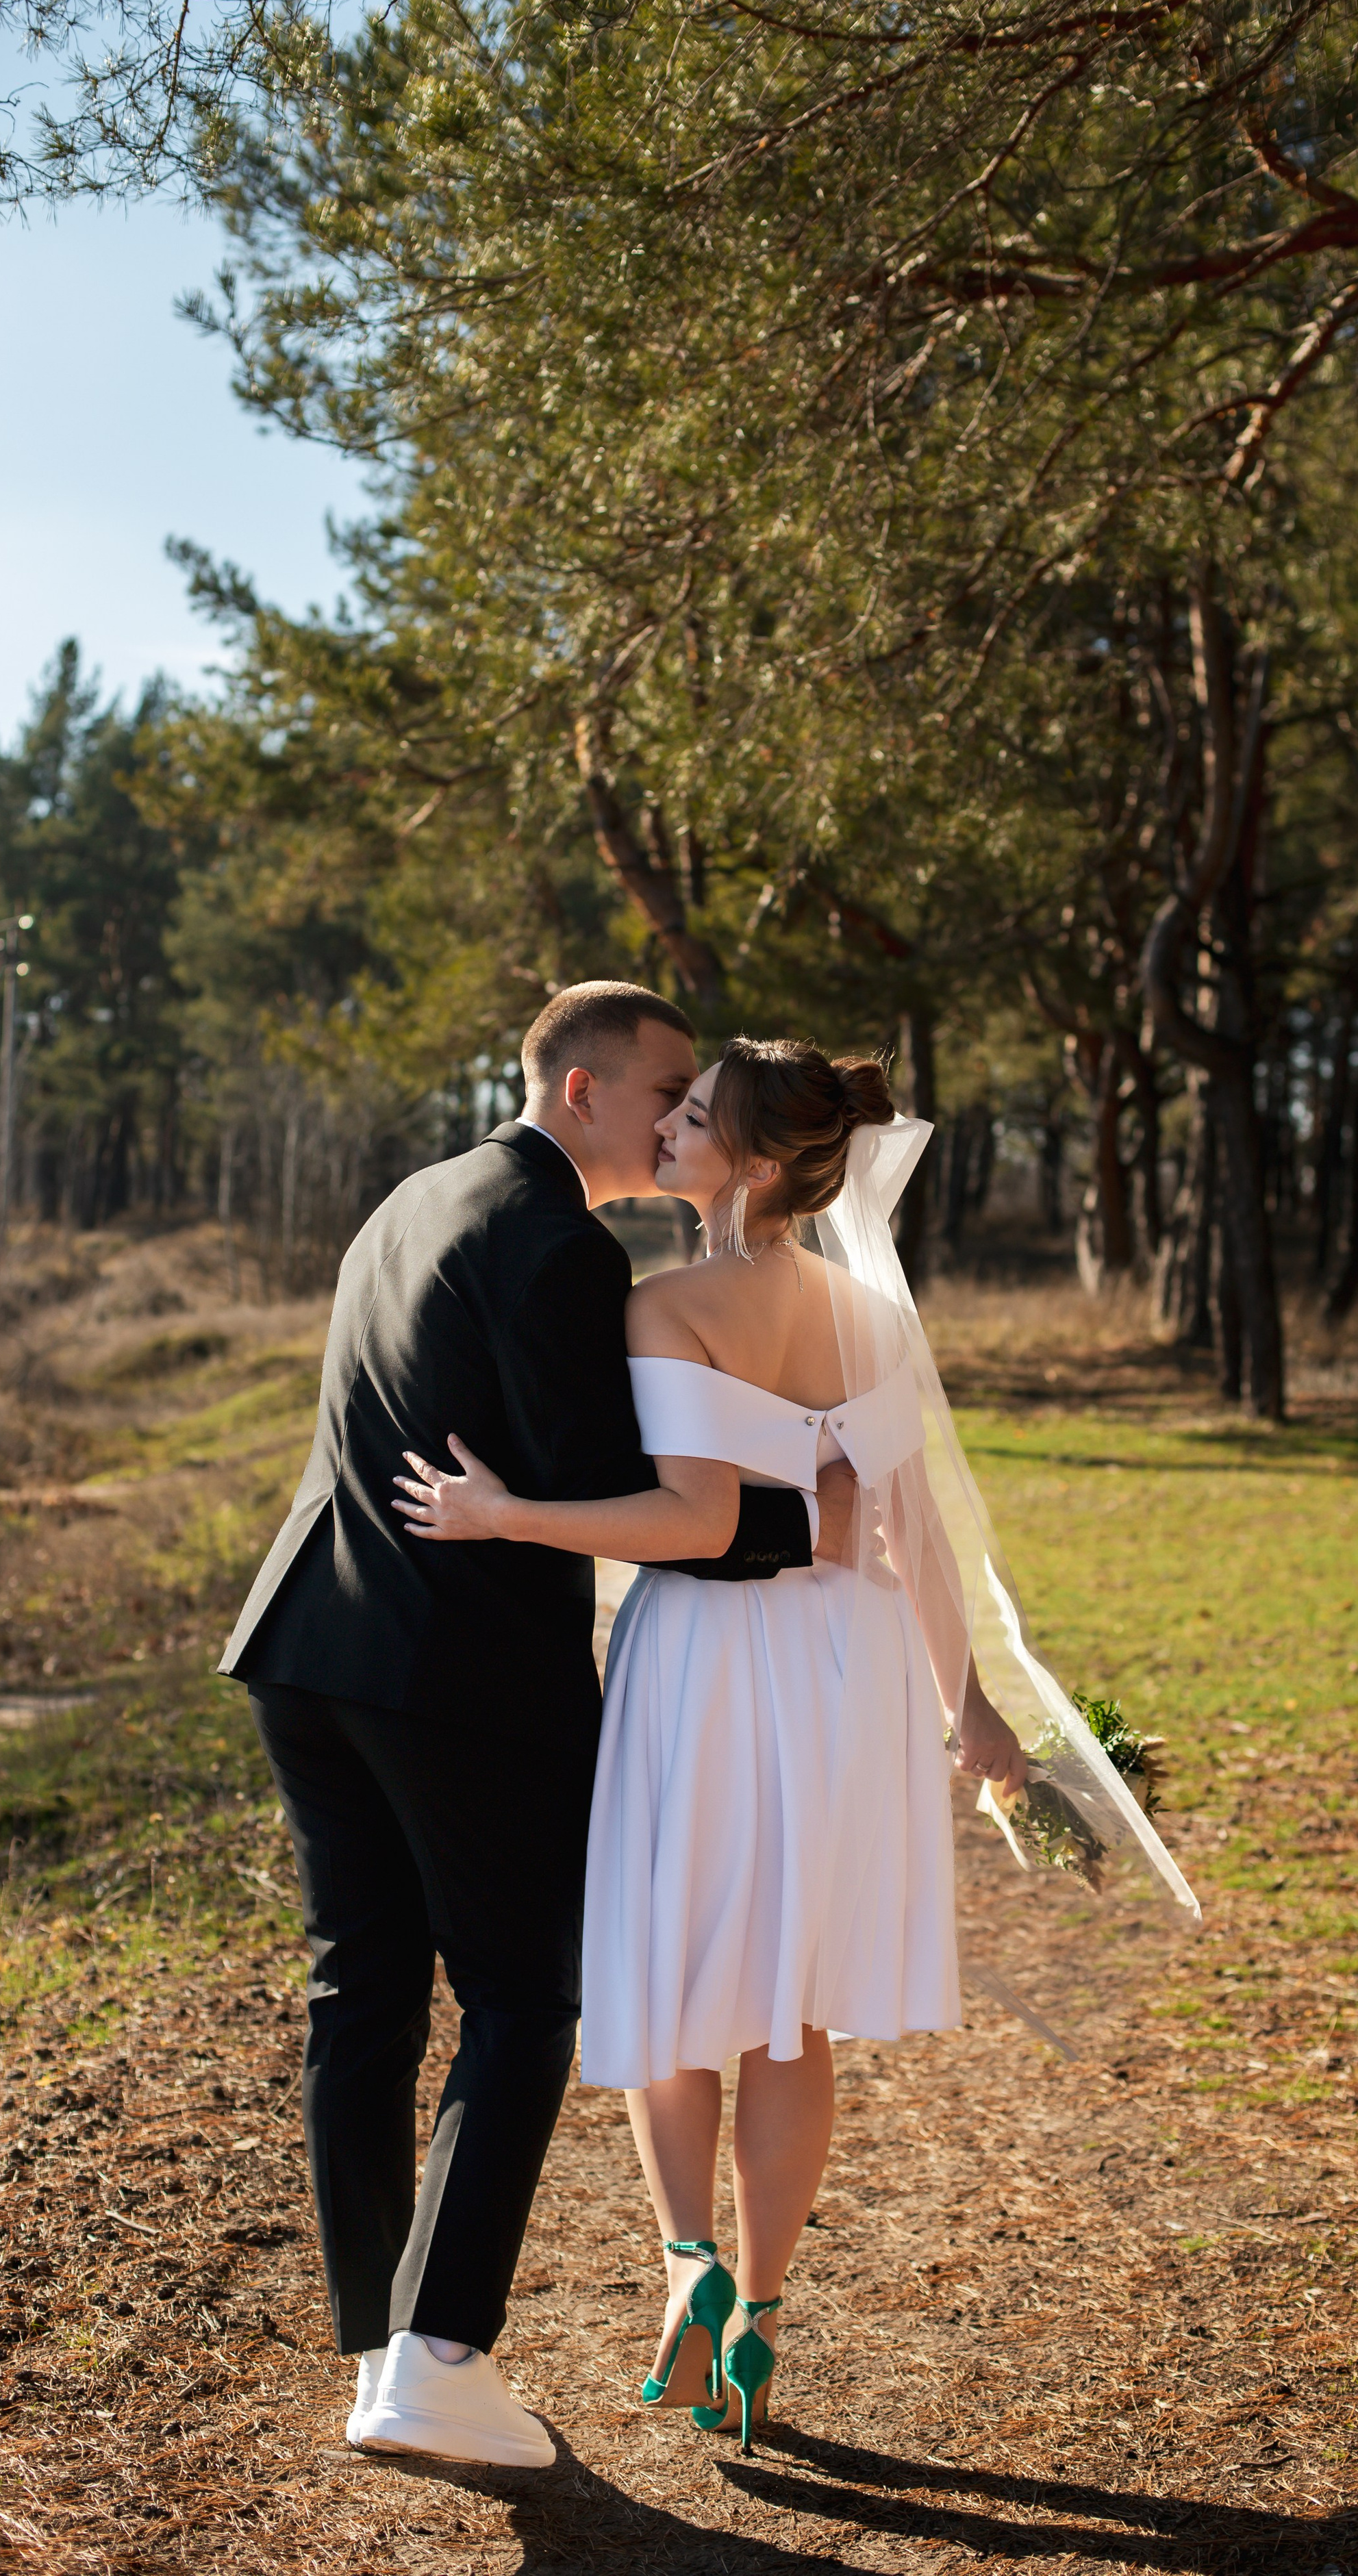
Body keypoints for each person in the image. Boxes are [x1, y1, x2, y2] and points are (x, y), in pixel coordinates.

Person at [219, 985, 857, 2470]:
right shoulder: (561, 1240)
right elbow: (626, 1493)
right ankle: (440, 2360)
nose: (682, 1112)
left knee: (361, 2005)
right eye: (666, 1087)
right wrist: (811, 1516)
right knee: (518, 2000)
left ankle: (382, 2346)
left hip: (308, 1644)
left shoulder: (413, 1196)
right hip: (448, 1676)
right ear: (582, 1089)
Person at [392, 1037, 1039, 2454]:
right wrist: (965, 1704)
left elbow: (686, 1521)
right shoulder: (868, 1316)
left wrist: (507, 1519)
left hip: (704, 1652)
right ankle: (756, 2310)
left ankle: (685, 2263)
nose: (669, 1128)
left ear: (752, 1164)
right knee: (788, 2005)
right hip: (847, 1663)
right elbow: (908, 1529)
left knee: (675, 1974)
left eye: (693, 1118)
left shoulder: (661, 1305)